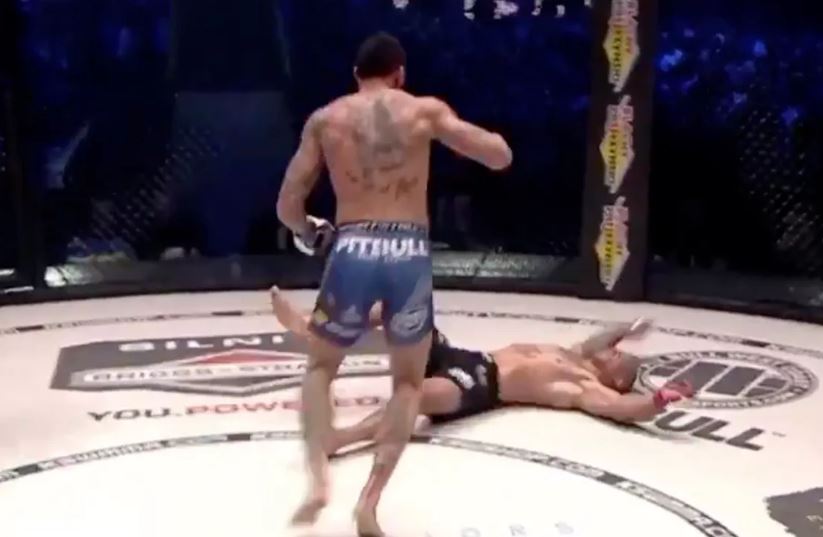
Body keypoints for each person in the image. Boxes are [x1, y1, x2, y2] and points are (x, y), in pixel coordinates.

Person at [275, 32, 513, 536]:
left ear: (355, 75)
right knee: (407, 384)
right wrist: (486, 140)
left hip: (353, 247)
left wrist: (309, 232)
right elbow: (499, 156)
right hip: (408, 251)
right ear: (400, 73)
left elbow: (288, 205)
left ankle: (318, 480)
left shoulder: (326, 119)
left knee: (320, 367)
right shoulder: (423, 110)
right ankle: (369, 503)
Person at [269, 288, 695, 455]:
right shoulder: (577, 353)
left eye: (618, 358)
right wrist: (630, 328)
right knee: (405, 310)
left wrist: (657, 401)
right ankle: (316, 328)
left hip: (481, 385)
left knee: (412, 397)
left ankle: (339, 440)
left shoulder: (583, 385)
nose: (612, 352)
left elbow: (622, 409)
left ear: (615, 378)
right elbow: (604, 337)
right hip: (465, 356)